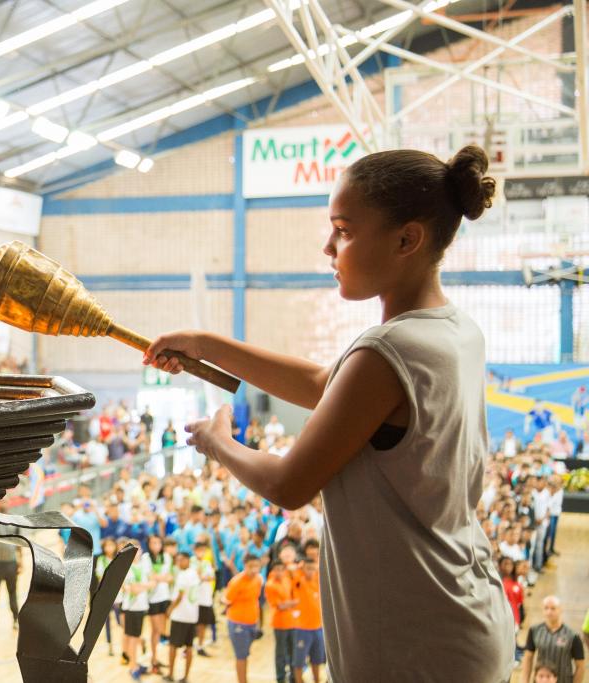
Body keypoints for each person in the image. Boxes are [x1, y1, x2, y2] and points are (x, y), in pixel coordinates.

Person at [145, 145, 514, 681]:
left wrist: (217, 440)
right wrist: (208, 344)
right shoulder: (453, 330)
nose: (328, 246)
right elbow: (326, 384)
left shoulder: (388, 351)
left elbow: (289, 484)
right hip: (462, 608)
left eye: (343, 230)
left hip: (417, 639)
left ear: (406, 239)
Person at [521, 596, 585, 683]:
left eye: (553, 608)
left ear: (560, 610)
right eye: (546, 608)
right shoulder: (534, 631)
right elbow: (528, 658)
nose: (549, 612)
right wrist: (525, 680)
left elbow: (580, 666)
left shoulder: (573, 636)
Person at [224, 555, 263, 683]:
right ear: (244, 566)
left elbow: (255, 600)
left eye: (256, 566)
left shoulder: (258, 579)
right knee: (241, 656)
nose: (253, 569)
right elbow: (226, 600)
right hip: (237, 623)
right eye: (250, 566)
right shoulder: (237, 581)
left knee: (245, 655)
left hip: (252, 622)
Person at [164, 552, 198, 683]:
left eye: (181, 560)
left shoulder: (183, 575)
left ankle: (171, 674)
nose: (179, 562)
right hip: (192, 616)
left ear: (188, 560)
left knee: (173, 646)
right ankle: (186, 677)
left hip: (180, 616)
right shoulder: (194, 573)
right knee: (189, 647)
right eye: (177, 560)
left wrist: (170, 609)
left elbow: (180, 596)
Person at [143, 535, 174, 675]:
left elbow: (170, 578)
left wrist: (160, 578)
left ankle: (156, 658)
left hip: (165, 597)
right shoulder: (145, 558)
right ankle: (154, 660)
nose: (156, 545)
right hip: (152, 599)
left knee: (161, 631)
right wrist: (163, 578)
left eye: (158, 542)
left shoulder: (167, 557)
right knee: (156, 630)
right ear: (149, 544)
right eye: (153, 542)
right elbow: (151, 577)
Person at [264, 559, 298, 683]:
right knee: (281, 653)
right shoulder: (270, 585)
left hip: (292, 622)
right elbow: (280, 606)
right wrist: (293, 603)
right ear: (272, 571)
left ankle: (293, 677)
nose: (279, 572)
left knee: (293, 651)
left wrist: (289, 603)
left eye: (281, 569)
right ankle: (280, 678)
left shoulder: (287, 580)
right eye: (276, 570)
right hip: (279, 623)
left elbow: (291, 598)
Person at [291, 558, 324, 683]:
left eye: (312, 568)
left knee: (316, 660)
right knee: (299, 661)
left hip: (318, 628)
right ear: (303, 569)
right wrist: (299, 567)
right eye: (307, 568)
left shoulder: (317, 581)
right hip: (302, 629)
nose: (310, 571)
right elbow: (293, 573)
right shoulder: (299, 581)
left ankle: (317, 680)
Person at [121, 545, 151, 680]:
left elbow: (152, 583)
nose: (137, 553)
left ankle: (135, 663)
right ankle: (133, 667)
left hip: (141, 607)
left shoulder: (143, 566)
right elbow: (132, 590)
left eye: (139, 550)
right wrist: (145, 586)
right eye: (134, 551)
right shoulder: (127, 569)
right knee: (133, 638)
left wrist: (142, 587)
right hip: (132, 608)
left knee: (136, 637)